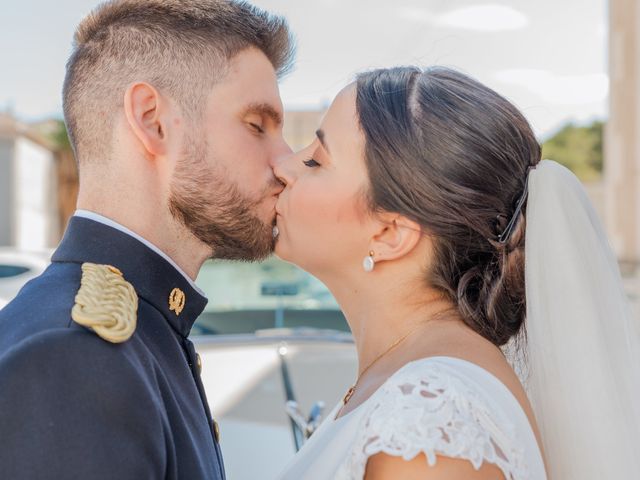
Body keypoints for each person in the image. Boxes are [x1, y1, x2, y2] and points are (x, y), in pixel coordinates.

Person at [274, 67, 640, 479]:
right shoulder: (412, 380)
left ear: (392, 233)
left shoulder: (431, 424)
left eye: (315, 160)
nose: (284, 166)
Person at [0, 1, 293, 478]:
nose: (286, 163)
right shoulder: (73, 357)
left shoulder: (141, 329)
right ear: (152, 119)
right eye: (257, 126)